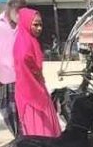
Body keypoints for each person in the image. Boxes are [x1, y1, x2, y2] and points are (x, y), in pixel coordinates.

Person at [0, 0, 28, 136]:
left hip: (25, 78)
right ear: (9, 7)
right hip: (5, 79)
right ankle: (19, 140)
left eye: (23, 9)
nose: (21, 13)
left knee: (26, 117)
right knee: (9, 115)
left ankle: (25, 142)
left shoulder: (26, 24)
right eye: (18, 9)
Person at [13, 8, 61, 137]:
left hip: (37, 89)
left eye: (40, 25)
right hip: (30, 93)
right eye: (35, 25)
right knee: (42, 133)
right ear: (26, 23)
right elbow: (24, 60)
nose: (39, 28)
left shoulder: (29, 40)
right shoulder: (25, 43)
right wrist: (36, 75)